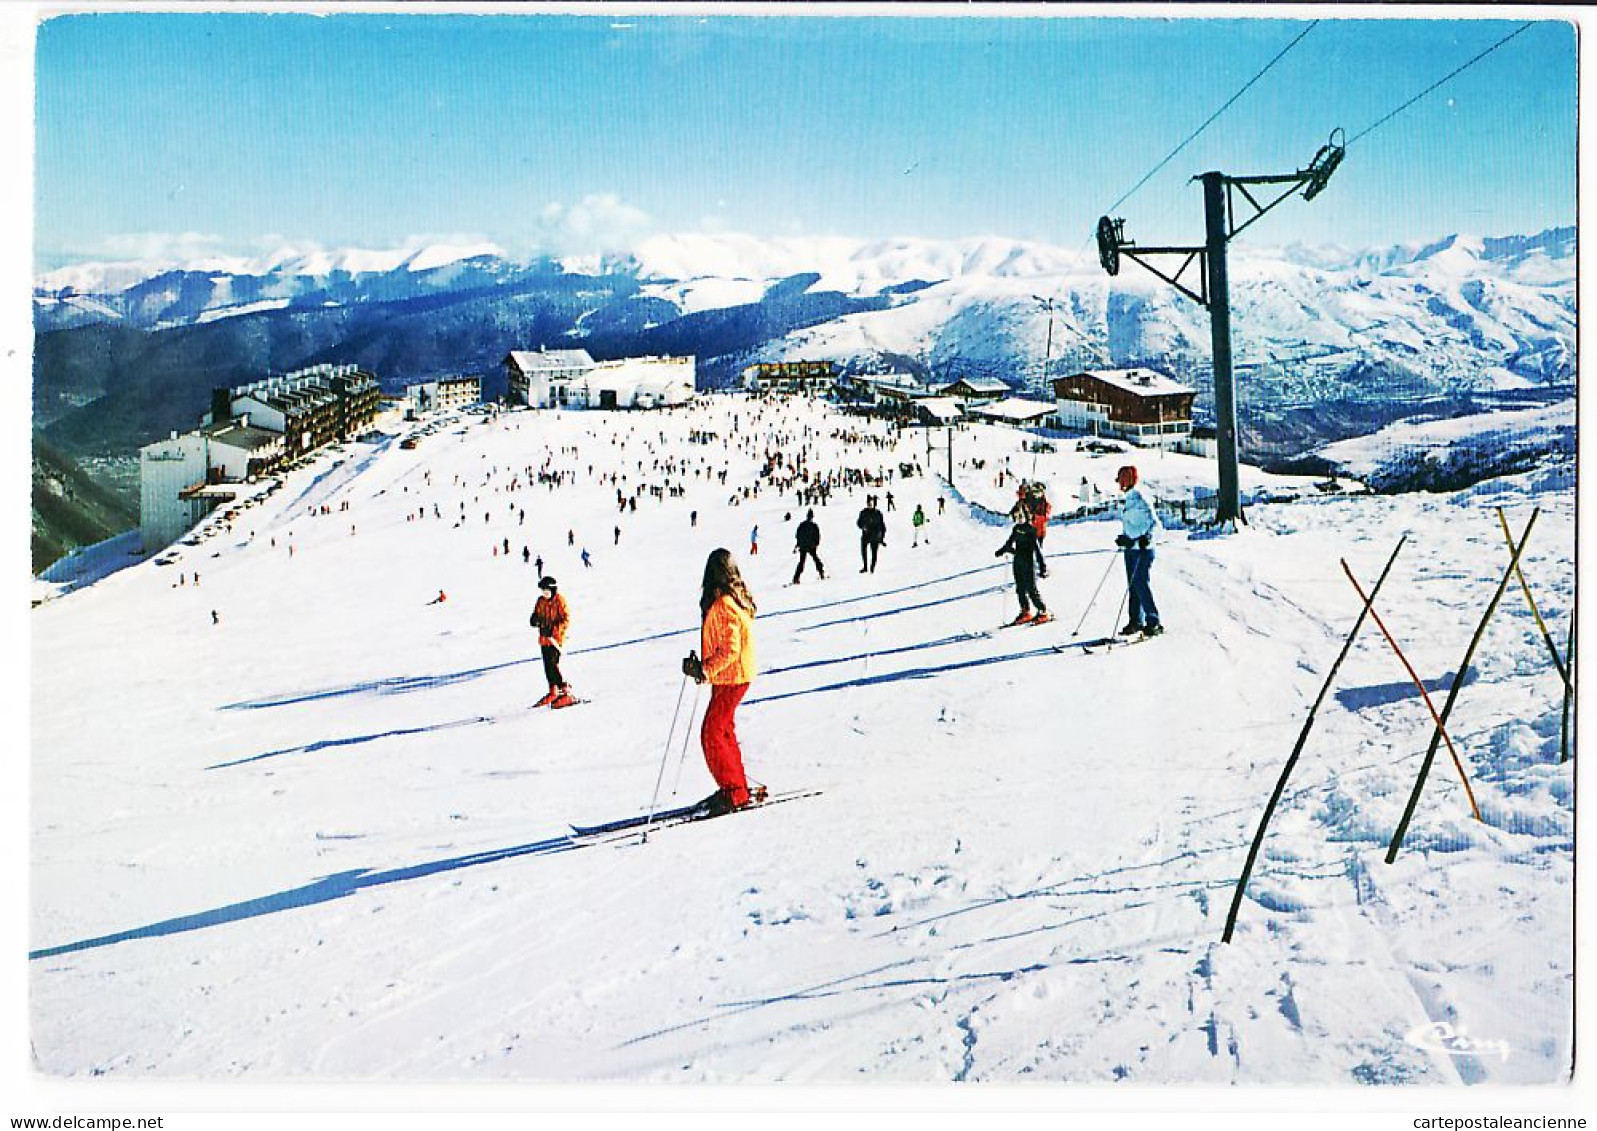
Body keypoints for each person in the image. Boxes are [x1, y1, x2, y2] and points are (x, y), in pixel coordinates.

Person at [688, 550, 765, 816]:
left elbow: (731, 649)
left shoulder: (724, 604)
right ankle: (735, 787)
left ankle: (735, 792)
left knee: (712, 732)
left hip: (732, 676)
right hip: (731, 676)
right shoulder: (732, 600)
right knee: (721, 730)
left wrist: (704, 670)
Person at [1115, 465, 1163, 637]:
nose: (1119, 484)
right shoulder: (1128, 499)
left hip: (1143, 550)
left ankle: (1154, 621)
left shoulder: (1141, 499)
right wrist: (1124, 537)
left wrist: (1147, 538)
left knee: (1141, 584)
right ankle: (1136, 621)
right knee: (1133, 585)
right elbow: (1134, 525)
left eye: (1120, 480)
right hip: (1131, 550)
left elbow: (1155, 525)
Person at [531, 576, 578, 707]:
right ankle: (553, 690)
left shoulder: (559, 601)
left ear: (553, 590)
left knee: (553, 665)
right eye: (542, 592)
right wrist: (535, 619)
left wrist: (553, 630)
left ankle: (564, 691)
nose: (544, 594)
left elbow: (565, 620)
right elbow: (537, 614)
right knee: (547, 666)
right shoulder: (540, 601)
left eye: (546, 591)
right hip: (544, 639)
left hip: (555, 640)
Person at [996, 518, 1050, 625]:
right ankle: (1025, 611)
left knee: (1031, 588)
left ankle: (1042, 611)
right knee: (1020, 588)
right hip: (1018, 561)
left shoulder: (1031, 530)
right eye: (1017, 517)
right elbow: (1010, 542)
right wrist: (1002, 550)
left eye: (1021, 516)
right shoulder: (1016, 529)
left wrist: (1042, 566)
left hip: (1029, 562)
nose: (1019, 519)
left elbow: (1037, 550)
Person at [793, 509, 825, 583]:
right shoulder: (814, 525)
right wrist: (816, 544)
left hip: (803, 546)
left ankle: (796, 578)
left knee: (801, 562)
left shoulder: (802, 525)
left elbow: (797, 535)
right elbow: (817, 536)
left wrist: (798, 544)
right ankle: (821, 573)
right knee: (816, 560)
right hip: (811, 546)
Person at [857, 496, 886, 573]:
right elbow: (859, 522)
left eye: (871, 503)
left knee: (874, 553)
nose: (870, 504)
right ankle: (865, 567)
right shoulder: (863, 512)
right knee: (863, 551)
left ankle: (872, 568)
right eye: (868, 503)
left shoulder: (878, 513)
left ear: (874, 504)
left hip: (875, 536)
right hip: (866, 535)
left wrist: (882, 538)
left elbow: (882, 526)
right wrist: (862, 527)